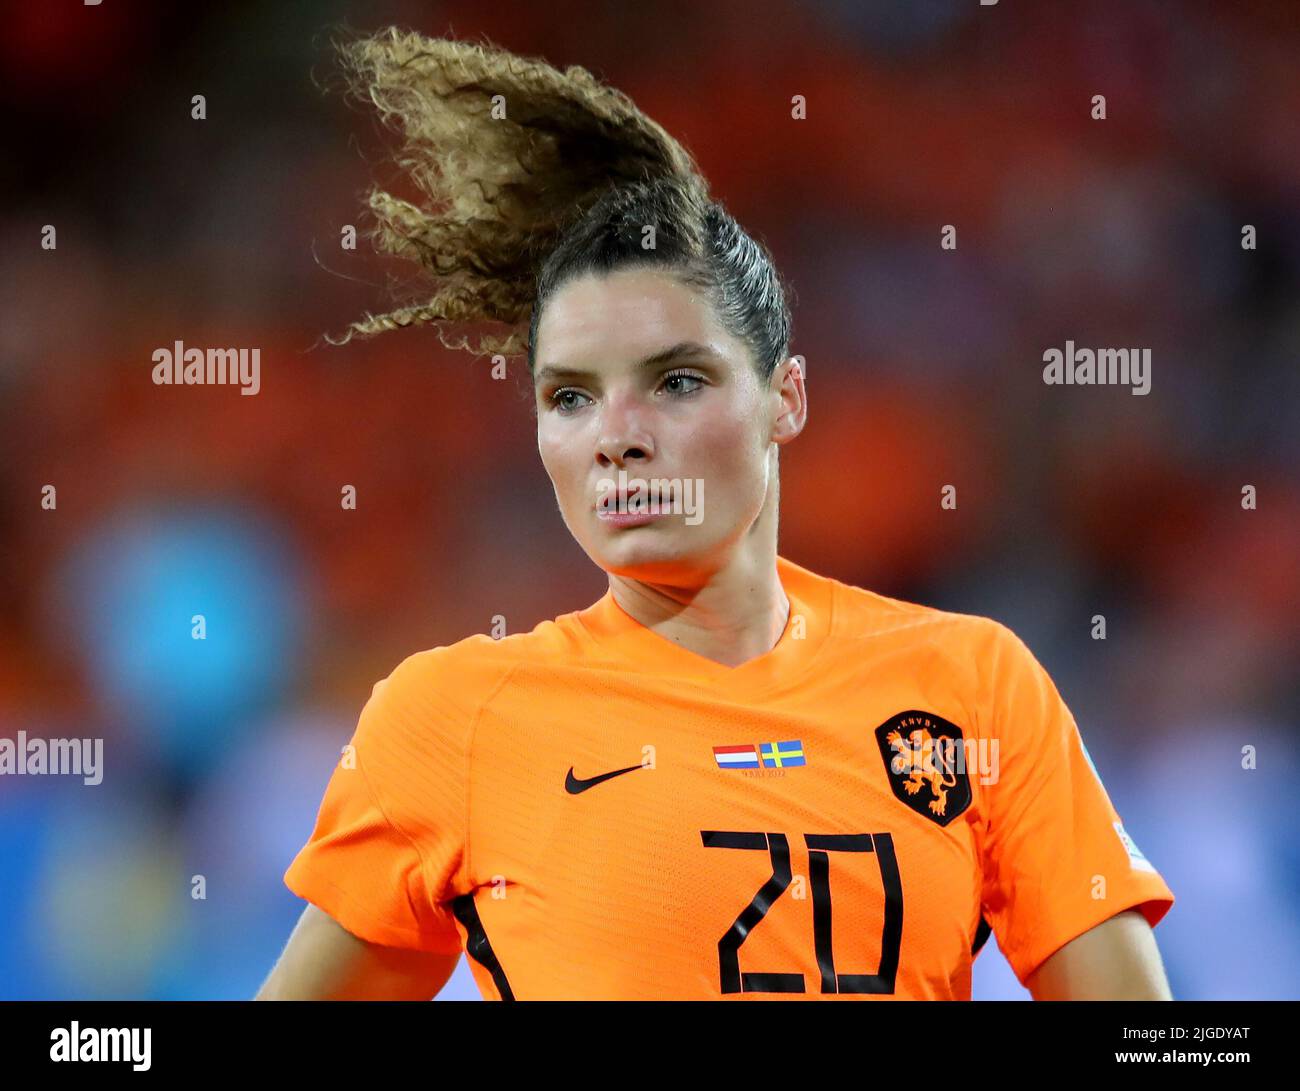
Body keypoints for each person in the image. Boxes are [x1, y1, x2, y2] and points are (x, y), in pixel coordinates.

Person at [256, 29, 1174, 1001]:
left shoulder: (971, 686)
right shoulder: (454, 718)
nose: (616, 435)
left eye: (676, 380)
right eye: (568, 396)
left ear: (786, 396)